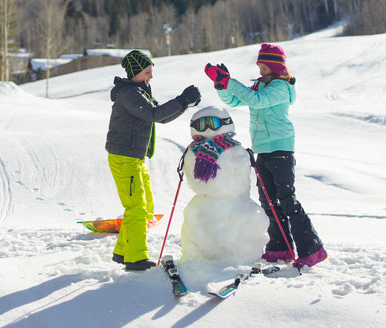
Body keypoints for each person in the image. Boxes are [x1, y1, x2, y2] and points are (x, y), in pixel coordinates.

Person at [204, 43, 327, 268]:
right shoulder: (261, 85)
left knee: (287, 201)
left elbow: (256, 101)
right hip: (262, 150)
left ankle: (312, 249)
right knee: (269, 202)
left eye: (264, 68)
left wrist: (229, 82)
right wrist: (221, 85)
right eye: (259, 67)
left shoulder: (281, 87)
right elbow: (234, 100)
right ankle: (280, 247)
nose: (261, 72)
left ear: (276, 67)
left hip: (281, 149)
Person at [105, 50, 201, 271]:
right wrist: (181, 100)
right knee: (136, 208)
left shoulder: (140, 90)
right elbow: (155, 114)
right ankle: (136, 258)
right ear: (135, 72)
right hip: (125, 158)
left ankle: (123, 251)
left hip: (134, 158)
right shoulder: (129, 94)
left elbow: (161, 117)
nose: (151, 76)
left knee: (145, 206)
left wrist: (184, 104)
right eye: (147, 72)